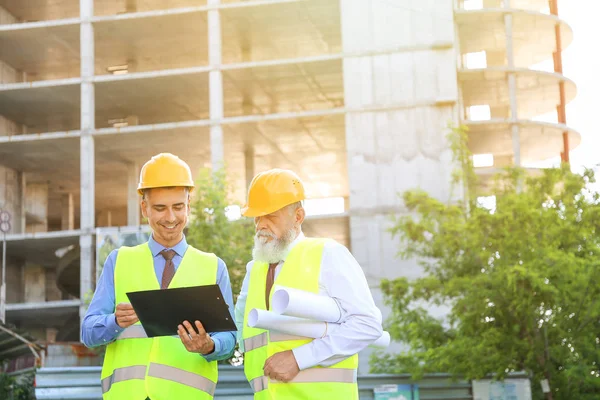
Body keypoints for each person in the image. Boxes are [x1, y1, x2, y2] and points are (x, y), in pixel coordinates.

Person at [81, 153, 236, 400]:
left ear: (189, 205)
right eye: (160, 208)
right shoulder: (119, 261)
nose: (171, 218)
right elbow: (88, 332)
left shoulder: (213, 267)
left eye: (178, 207)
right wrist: (114, 322)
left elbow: (229, 338)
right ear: (144, 208)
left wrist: (209, 345)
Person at [234, 168, 383, 399]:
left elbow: (367, 324)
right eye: (257, 216)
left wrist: (298, 358)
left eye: (271, 215)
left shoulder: (328, 254)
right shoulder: (255, 269)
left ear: (298, 216)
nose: (261, 224)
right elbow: (242, 335)